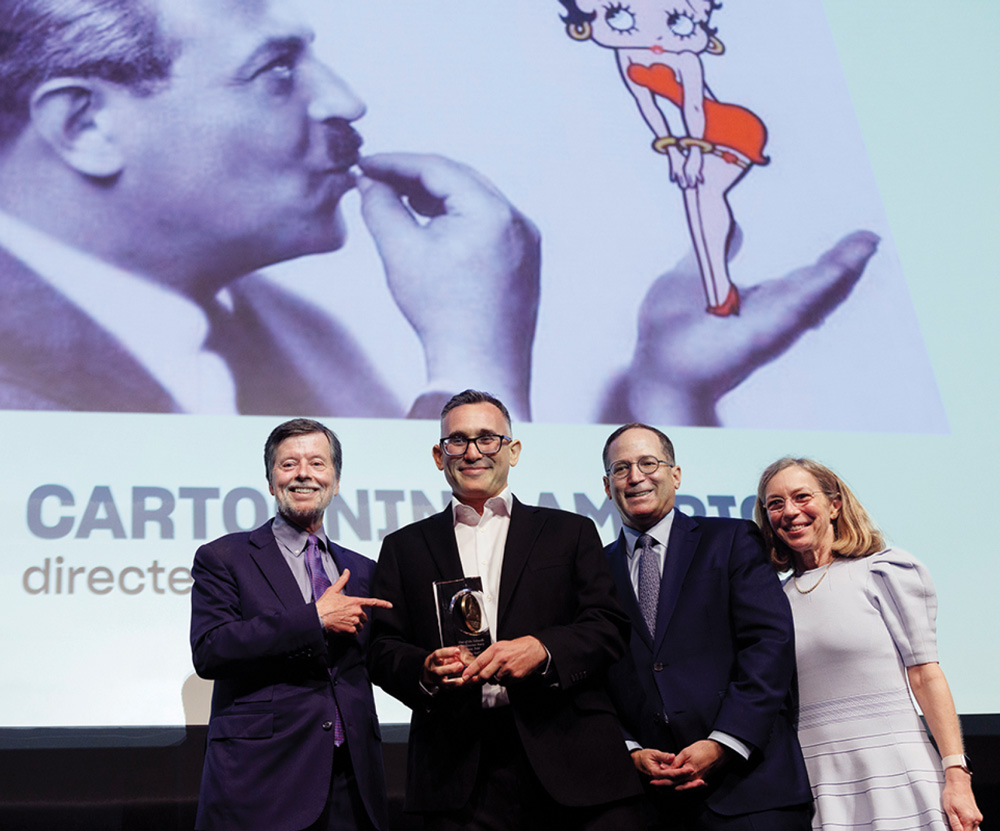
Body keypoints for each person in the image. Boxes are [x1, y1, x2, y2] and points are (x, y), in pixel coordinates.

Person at [0, 0, 540, 420]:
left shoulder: (309, 341)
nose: (345, 101)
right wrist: (475, 366)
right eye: (277, 69)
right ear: (85, 125)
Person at [367, 390, 643, 830]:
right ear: (439, 456)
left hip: (571, 759)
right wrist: (424, 667)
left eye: (487, 438)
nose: (473, 451)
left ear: (513, 450)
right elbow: (381, 646)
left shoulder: (569, 531)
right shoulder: (403, 547)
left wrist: (543, 649)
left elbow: (608, 626)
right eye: (457, 440)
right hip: (455, 771)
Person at [601, 423, 812, 830]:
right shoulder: (595, 567)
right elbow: (597, 672)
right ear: (607, 485)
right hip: (654, 802)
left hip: (752, 791)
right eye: (621, 468)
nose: (636, 476)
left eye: (649, 463)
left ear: (676, 474)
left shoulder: (732, 539)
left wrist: (724, 741)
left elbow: (770, 644)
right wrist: (628, 749)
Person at [756, 457, 983, 831]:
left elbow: (926, 676)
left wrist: (957, 775)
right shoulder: (774, 600)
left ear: (834, 505)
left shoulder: (884, 572)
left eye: (801, 497)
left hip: (898, 773)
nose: (790, 512)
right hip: (818, 783)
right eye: (775, 504)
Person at [190, 418, 393, 831]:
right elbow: (211, 649)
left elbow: (380, 659)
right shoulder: (225, 557)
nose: (304, 473)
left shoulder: (363, 569)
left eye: (317, 463)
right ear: (270, 482)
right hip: (265, 781)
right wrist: (314, 618)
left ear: (335, 482)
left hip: (352, 782)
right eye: (289, 464)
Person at [559, 0, 766, 316]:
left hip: (733, 129)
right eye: (620, 17)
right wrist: (672, 152)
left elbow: (693, 107)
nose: (653, 34)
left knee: (705, 193)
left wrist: (693, 153)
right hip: (693, 137)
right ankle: (719, 293)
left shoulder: (685, 57)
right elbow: (648, 106)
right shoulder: (626, 53)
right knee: (694, 196)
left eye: (678, 22)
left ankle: (720, 293)